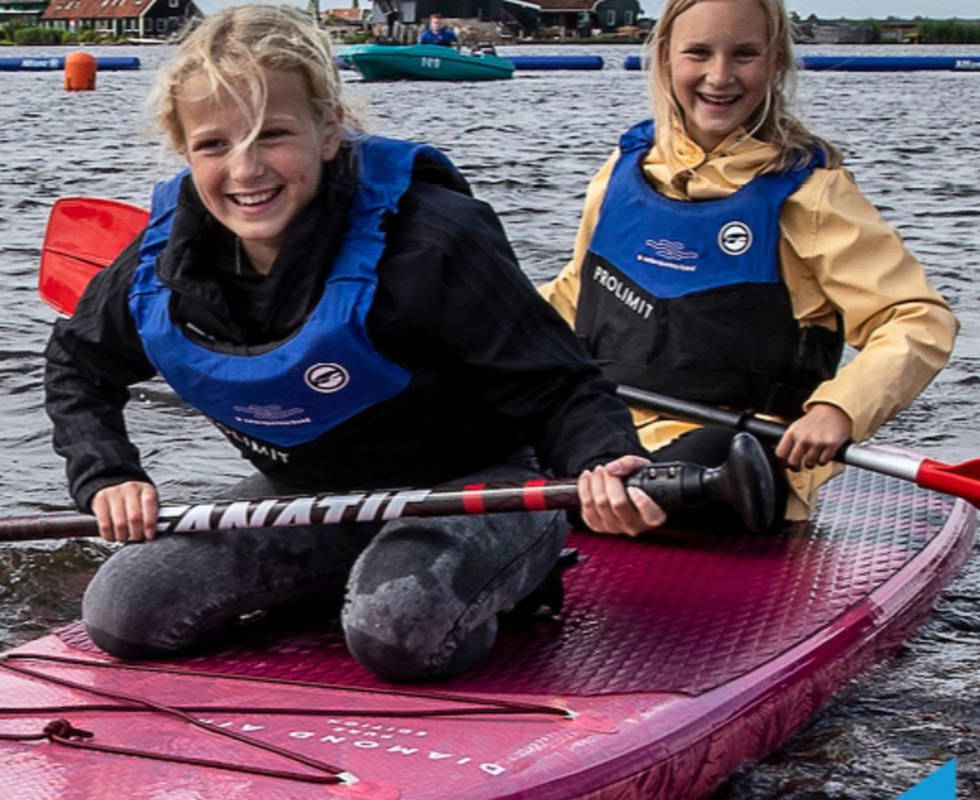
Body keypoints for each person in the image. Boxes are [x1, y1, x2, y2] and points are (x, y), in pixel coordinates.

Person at [43, 5, 753, 683]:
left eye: (273, 135)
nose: (246, 169)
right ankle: (345, 579)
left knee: (400, 631)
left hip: (475, 484)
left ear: (328, 131)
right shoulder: (163, 259)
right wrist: (107, 475)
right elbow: (77, 363)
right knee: (125, 614)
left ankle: (515, 578)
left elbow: (559, 384)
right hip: (310, 492)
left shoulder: (432, 237)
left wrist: (602, 464)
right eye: (214, 145)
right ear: (184, 152)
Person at [539, 0, 958, 526]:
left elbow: (917, 318)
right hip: (603, 429)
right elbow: (573, 295)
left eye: (744, 55)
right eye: (698, 53)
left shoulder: (811, 196)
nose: (720, 76)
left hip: (732, 448)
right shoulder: (620, 174)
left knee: (704, 461)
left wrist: (840, 409)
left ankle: (586, 508)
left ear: (776, 62)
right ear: (665, 58)